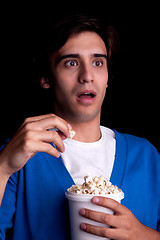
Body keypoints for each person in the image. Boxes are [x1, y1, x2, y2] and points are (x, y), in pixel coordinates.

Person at [0, 13, 159, 240]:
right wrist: (3, 166)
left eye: (97, 62)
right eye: (71, 63)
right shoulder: (21, 156)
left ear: (107, 78)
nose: (87, 76)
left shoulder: (146, 157)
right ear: (46, 77)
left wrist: (145, 235)